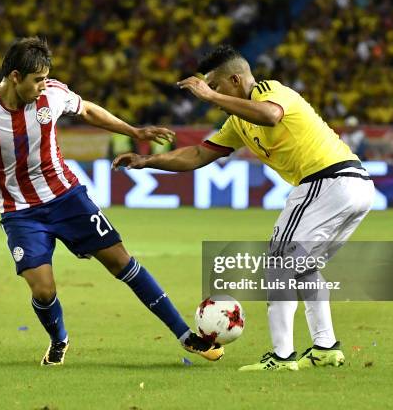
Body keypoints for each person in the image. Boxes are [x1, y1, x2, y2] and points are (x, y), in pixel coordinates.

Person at [0, 37, 223, 366]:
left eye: (47, 78)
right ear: (15, 77)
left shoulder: (52, 95)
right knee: (43, 288)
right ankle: (59, 338)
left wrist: (133, 131)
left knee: (122, 263)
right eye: (38, 79)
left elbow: (88, 110)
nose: (44, 85)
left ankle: (185, 335)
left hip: (66, 196)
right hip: (20, 212)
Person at [113, 45, 375, 371]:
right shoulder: (238, 124)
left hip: (328, 181)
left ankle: (282, 357)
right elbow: (198, 155)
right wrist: (146, 161)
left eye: (217, 85)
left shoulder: (271, 91)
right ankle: (325, 348)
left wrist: (210, 97)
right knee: (303, 267)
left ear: (235, 80)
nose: (212, 94)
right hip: (353, 187)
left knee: (278, 264)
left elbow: (271, 114)